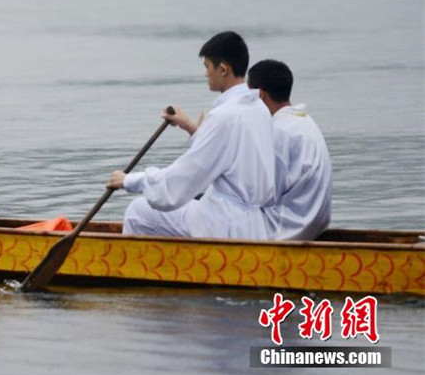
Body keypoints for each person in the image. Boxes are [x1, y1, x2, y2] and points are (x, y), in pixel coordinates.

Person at [107, 31, 276, 239]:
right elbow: (223, 156)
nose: (206, 74)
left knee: (138, 212)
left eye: (207, 67)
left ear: (223, 69)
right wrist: (188, 125)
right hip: (255, 224)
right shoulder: (258, 109)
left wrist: (130, 181)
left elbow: (184, 177)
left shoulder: (223, 116)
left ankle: (136, 271)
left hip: (222, 223)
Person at [248, 59, 332, 240]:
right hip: (308, 224)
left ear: (261, 95)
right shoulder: (303, 121)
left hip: (284, 230)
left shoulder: (278, 133)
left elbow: (260, 196)